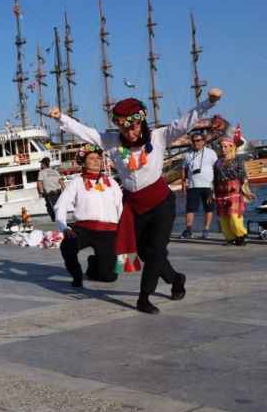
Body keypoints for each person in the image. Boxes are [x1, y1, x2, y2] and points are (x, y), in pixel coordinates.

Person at [49, 87, 223, 314]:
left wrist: (209, 102)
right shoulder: (112, 142)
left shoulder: (159, 137)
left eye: (133, 127)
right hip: (134, 207)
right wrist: (61, 117)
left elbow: (185, 121)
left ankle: (144, 298)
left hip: (161, 204)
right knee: (145, 253)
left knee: (157, 250)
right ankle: (176, 278)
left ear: (141, 122)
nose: (130, 133)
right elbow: (86, 132)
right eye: (124, 128)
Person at [55, 146, 123, 287]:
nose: (96, 161)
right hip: (84, 229)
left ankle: (94, 263)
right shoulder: (77, 182)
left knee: (108, 276)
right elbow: (61, 205)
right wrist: (64, 228)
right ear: (84, 163)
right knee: (67, 246)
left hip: (108, 231)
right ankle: (77, 275)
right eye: (91, 158)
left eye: (98, 158)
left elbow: (121, 207)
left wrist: (123, 230)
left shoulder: (112, 182)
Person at [213, 132, 255, 246]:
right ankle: (230, 238)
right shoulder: (217, 162)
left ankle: (241, 235)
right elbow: (215, 178)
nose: (223, 149)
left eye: (225, 146)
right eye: (221, 147)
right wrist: (213, 192)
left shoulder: (238, 160)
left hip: (234, 191)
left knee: (234, 215)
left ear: (232, 147)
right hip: (220, 191)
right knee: (223, 217)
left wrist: (245, 190)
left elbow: (243, 176)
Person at [180, 131, 217, 239]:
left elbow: (217, 168)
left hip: (208, 186)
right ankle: (188, 230)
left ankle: (206, 229)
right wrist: (183, 183)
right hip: (193, 185)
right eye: (194, 141)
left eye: (198, 140)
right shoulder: (188, 154)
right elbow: (183, 168)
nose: (196, 143)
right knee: (190, 209)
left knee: (208, 208)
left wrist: (216, 185)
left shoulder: (211, 153)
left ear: (203, 141)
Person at [37, 157, 65, 222]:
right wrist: (65, 191)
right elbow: (61, 182)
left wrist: (41, 193)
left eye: (41, 163)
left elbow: (39, 183)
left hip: (50, 195)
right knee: (59, 209)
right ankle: (61, 222)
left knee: (51, 210)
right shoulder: (55, 171)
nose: (40, 165)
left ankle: (56, 223)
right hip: (58, 194)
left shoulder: (41, 172)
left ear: (43, 164)